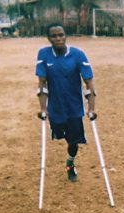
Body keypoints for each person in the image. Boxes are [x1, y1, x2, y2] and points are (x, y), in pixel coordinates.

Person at [36, 23, 96, 182]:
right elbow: (42, 83)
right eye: (54, 36)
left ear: (65, 36)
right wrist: (43, 108)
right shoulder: (43, 54)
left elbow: (88, 82)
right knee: (59, 134)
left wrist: (91, 108)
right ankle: (59, 132)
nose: (58, 39)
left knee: (73, 142)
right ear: (49, 38)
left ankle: (70, 163)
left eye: (61, 35)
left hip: (74, 108)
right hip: (55, 108)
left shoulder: (77, 55)